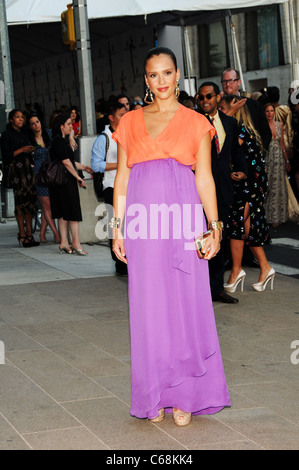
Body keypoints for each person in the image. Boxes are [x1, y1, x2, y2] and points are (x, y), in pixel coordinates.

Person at [112, 46, 230, 426]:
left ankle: (185, 395)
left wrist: (214, 227)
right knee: (149, 309)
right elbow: (123, 179)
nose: (160, 81)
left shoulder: (197, 121)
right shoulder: (130, 121)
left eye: (166, 73)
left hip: (182, 219)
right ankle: (154, 394)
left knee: (184, 304)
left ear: (178, 75)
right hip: (144, 224)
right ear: (145, 80)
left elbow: (204, 177)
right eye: (152, 75)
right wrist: (118, 228)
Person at [197, 82, 247, 304]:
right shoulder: (194, 123)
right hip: (197, 190)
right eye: (201, 97)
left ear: (218, 97)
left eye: (209, 96)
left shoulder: (229, 123)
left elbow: (236, 150)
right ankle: (198, 289)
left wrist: (242, 169)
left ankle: (216, 289)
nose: (204, 100)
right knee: (198, 239)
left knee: (218, 238)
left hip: (223, 190)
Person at [219, 96, 274, 293]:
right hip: (251, 184)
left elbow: (220, 141)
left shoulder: (238, 130)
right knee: (243, 228)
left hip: (247, 185)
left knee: (237, 226)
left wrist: (229, 114)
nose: (220, 112)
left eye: (223, 109)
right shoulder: (246, 130)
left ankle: (237, 271)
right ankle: (261, 268)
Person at [91, 101, 128, 276]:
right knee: (116, 224)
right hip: (111, 187)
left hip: (129, 186)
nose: (125, 117)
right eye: (121, 114)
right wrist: (119, 164)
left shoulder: (129, 135)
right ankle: (119, 261)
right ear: (111, 118)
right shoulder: (103, 139)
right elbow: (96, 165)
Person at [48, 113, 92, 255]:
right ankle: (75, 243)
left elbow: (70, 162)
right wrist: (78, 178)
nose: (70, 126)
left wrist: (84, 167)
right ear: (61, 126)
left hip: (61, 182)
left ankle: (64, 243)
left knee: (63, 213)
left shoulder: (61, 141)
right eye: (68, 124)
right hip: (65, 181)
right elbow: (66, 163)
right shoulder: (59, 142)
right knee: (72, 213)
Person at [0, 109, 39, 247]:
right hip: (16, 171)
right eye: (17, 117)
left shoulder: (25, 133)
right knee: (20, 203)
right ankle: (22, 235)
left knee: (30, 203)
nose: (21, 119)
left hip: (28, 170)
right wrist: (22, 150)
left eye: (22, 117)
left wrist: (30, 149)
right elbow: (6, 156)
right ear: (11, 120)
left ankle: (29, 235)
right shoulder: (6, 135)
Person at [28, 113, 61, 244]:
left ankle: (42, 232)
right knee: (46, 205)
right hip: (39, 175)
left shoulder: (49, 133)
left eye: (37, 122)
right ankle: (56, 233)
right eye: (32, 123)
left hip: (52, 173)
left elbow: (61, 135)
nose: (36, 125)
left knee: (50, 205)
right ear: (30, 126)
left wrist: (71, 139)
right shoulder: (29, 139)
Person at [221, 68, 272, 151]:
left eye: (231, 81)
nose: (227, 84)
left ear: (239, 82)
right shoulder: (218, 107)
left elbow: (265, 132)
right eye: (224, 81)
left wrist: (260, 151)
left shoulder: (253, 105)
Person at [264, 103, 290, 228]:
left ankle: (277, 217)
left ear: (274, 112)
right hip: (267, 158)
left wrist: (287, 161)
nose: (269, 113)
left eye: (271, 111)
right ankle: (266, 216)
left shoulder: (279, 124)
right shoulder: (262, 126)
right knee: (268, 187)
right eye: (267, 111)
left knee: (278, 186)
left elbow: (282, 144)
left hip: (279, 158)